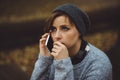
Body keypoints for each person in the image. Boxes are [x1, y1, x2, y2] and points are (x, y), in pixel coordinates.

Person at [30, 4, 112, 80]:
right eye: (53, 29)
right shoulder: (52, 57)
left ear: (80, 31)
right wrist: (44, 60)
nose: (57, 36)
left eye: (65, 28)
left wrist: (62, 64)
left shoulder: (99, 64)